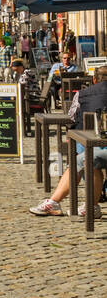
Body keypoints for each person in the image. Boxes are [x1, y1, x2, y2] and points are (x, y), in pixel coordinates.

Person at [30, 66, 107, 217]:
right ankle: (91, 205)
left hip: (92, 145)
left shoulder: (82, 94)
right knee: (87, 158)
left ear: (94, 79)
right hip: (95, 146)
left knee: (83, 158)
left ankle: (57, 202)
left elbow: (71, 116)